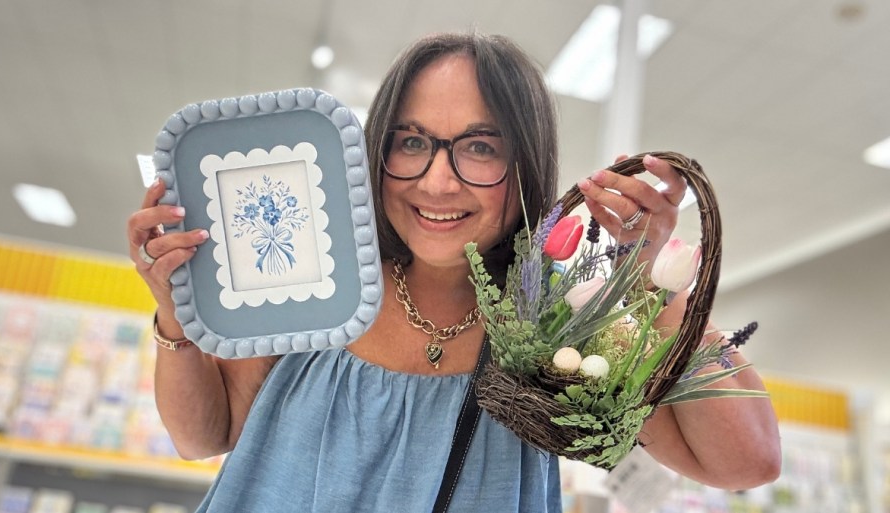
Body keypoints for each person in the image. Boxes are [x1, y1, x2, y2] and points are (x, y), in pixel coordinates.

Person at [127, 32, 780, 512]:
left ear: (524, 161)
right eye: (411, 142)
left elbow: (743, 461)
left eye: (479, 146)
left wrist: (652, 278)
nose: (438, 181)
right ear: (377, 151)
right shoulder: (317, 270)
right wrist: (174, 310)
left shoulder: (559, 325)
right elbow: (201, 435)